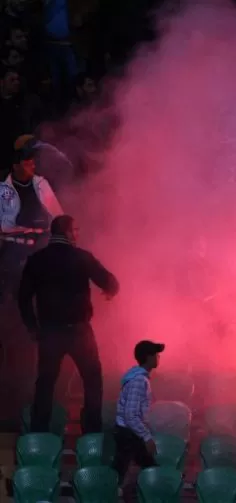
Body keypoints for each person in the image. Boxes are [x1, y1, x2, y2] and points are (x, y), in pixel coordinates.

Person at [19, 215, 118, 435]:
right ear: (67, 232)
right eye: (76, 229)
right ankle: (91, 432)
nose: (78, 233)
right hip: (79, 331)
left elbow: (23, 298)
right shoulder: (82, 257)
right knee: (92, 380)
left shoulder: (37, 260)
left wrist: (32, 328)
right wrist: (110, 291)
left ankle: (38, 433)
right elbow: (110, 281)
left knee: (45, 384)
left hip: (49, 332)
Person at [0, 136, 64, 296]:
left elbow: (59, 218)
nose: (33, 165)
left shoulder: (41, 184)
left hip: (40, 250)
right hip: (10, 253)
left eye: (33, 161)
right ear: (15, 165)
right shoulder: (2, 187)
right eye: (28, 162)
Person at [112, 340, 164, 481]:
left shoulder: (138, 378)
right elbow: (130, 415)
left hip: (129, 433)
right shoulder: (139, 381)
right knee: (122, 471)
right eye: (156, 355)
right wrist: (146, 436)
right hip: (128, 434)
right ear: (148, 357)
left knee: (142, 465)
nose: (158, 358)